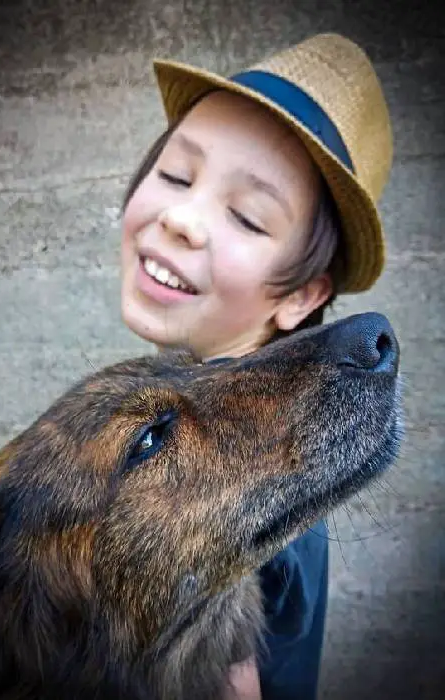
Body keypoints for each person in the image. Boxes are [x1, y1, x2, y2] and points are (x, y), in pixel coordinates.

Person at [119, 32, 393, 699]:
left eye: (246, 216)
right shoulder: (206, 421)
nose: (183, 219)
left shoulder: (240, 491)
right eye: (177, 176)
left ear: (303, 294)